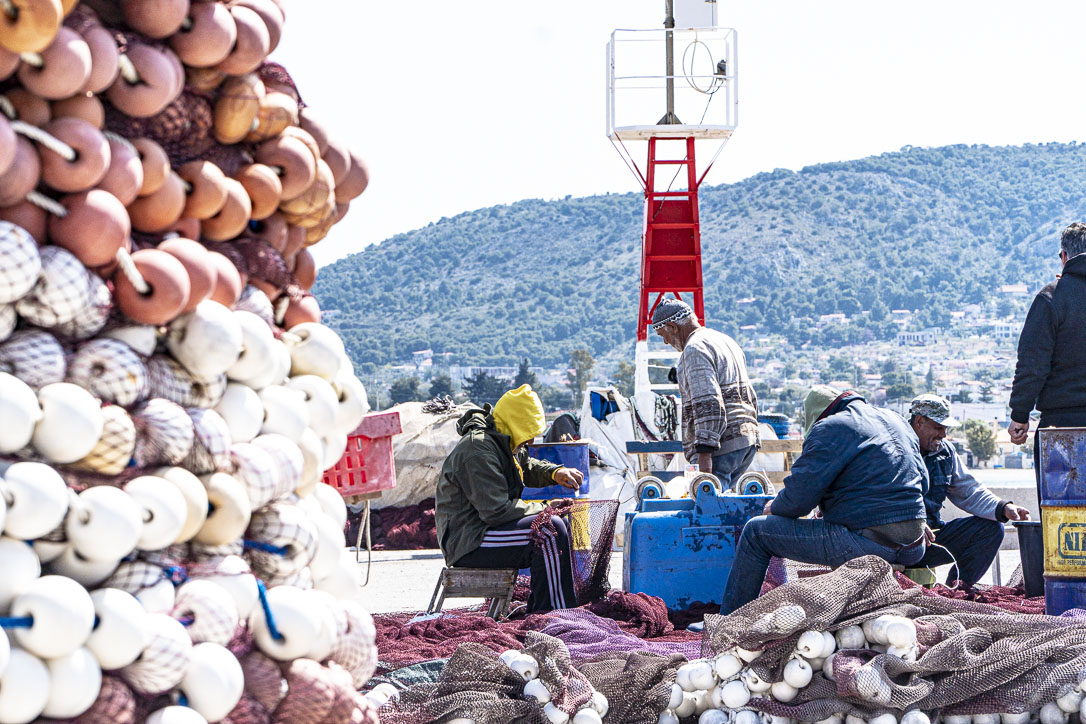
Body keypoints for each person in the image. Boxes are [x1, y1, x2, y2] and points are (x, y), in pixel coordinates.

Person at [719, 386, 928, 615]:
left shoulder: (831, 427)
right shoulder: (895, 420)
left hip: (867, 543)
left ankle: (730, 620)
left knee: (755, 532)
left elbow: (797, 502)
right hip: (914, 545)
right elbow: (923, 484)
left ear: (816, 416)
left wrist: (773, 507)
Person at [435, 385, 584, 612]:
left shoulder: (503, 441)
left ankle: (546, 606)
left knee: (557, 526)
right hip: (468, 541)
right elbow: (496, 511)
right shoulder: (478, 450)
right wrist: (545, 507)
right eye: (529, 432)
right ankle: (553, 613)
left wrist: (556, 472)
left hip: (483, 531)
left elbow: (525, 465)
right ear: (515, 424)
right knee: (548, 530)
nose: (532, 441)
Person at [907, 394, 1030, 585]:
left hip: (930, 537)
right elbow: (880, 499)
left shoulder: (945, 452)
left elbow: (970, 491)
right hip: (898, 540)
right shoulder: (895, 449)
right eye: (938, 427)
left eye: (945, 429)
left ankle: (956, 591)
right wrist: (909, 526)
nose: (943, 435)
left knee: (992, 528)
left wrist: (1003, 508)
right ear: (919, 421)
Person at [651, 298, 760, 488]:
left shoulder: (694, 349)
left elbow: (708, 404)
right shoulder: (726, 341)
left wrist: (704, 458)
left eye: (663, 335)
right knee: (727, 506)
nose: (666, 342)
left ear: (672, 326)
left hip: (722, 445)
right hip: (747, 440)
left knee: (709, 508)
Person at [1009, 223, 1086, 478]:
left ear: (1064, 257)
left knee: (1062, 511)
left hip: (1061, 428)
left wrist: (1020, 415)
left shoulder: (1051, 298)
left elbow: (1032, 365)